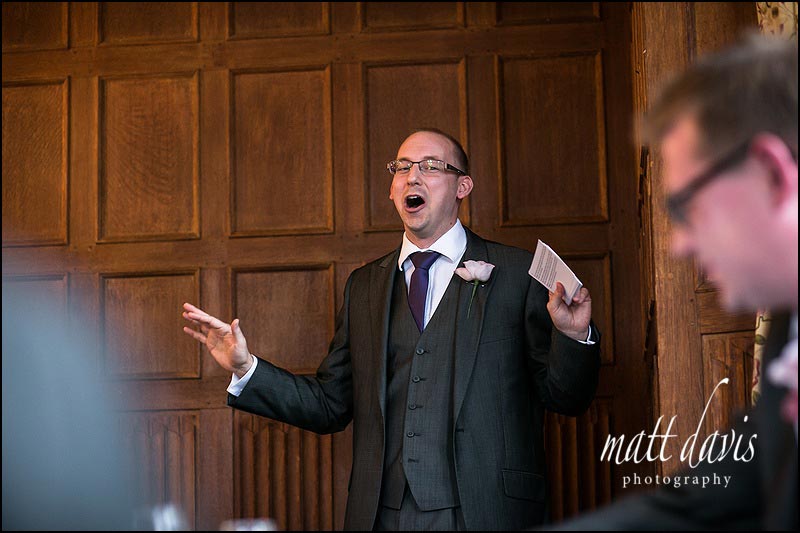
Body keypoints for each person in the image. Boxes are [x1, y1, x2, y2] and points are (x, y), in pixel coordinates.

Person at [183, 128, 601, 530]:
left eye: (430, 166)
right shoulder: (364, 287)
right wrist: (247, 368)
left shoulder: (517, 273)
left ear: (463, 186)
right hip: (384, 515)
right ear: (392, 189)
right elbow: (330, 404)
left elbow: (566, 398)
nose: (412, 176)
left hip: (488, 511)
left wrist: (573, 336)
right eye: (402, 167)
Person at [553, 33, 797, 530]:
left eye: (688, 208)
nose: (678, 245)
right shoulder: (788, 330)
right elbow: (703, 498)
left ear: (772, 173)